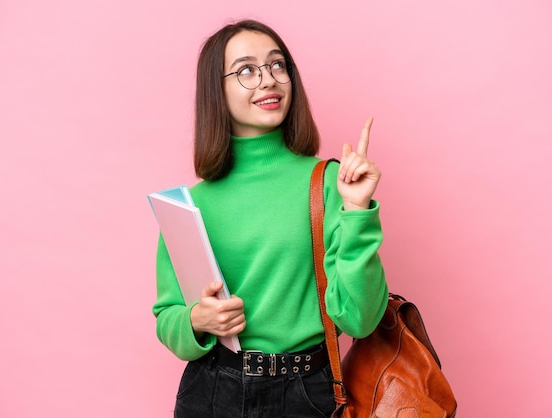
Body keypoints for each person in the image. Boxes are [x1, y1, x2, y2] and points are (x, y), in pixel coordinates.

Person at [153, 19, 389, 417]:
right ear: (217, 90)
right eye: (247, 70)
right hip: (212, 392)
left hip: (309, 392)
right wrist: (197, 320)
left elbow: (361, 320)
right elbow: (167, 318)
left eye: (278, 65)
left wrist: (357, 211)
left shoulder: (330, 182)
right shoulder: (191, 204)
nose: (268, 80)